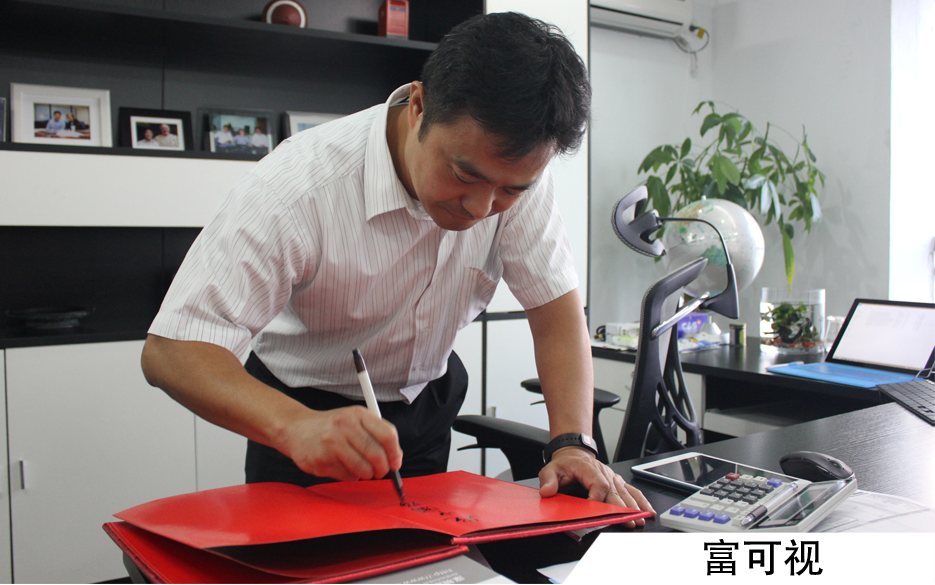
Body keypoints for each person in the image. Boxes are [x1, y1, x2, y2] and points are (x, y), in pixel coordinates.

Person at [142, 12, 653, 523]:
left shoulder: (515, 179)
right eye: (463, 176)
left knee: (430, 558)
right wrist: (293, 425)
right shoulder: (299, 188)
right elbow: (173, 350)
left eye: (510, 190)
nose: (481, 208)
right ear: (419, 106)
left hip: (427, 408)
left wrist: (573, 444)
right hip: (305, 415)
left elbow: (556, 314)